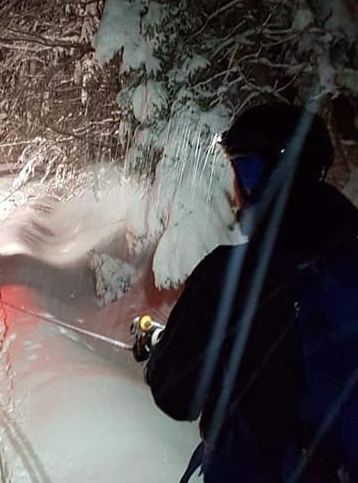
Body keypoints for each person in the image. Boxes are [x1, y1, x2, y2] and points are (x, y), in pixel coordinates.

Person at [141, 103, 358, 483]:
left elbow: (175, 393)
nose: (237, 191)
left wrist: (158, 349)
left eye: (243, 170)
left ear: (263, 178)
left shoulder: (231, 277)